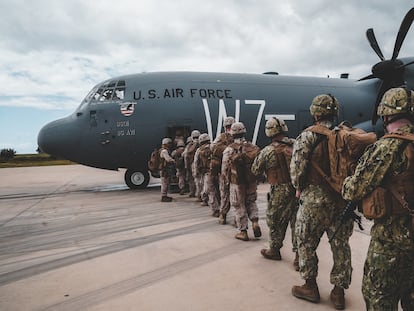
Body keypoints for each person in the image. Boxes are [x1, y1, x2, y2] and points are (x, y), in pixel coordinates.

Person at [342, 87, 414, 310]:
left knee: (378, 297)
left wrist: (346, 180)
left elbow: (353, 190)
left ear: (386, 114)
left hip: (392, 240)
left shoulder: (386, 147)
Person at [290, 94, 353, 309]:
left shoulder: (307, 137)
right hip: (341, 200)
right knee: (341, 245)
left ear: (315, 113)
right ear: (334, 113)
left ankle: (310, 286)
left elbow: (297, 170)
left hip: (313, 201)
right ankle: (338, 292)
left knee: (306, 242)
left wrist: (299, 187)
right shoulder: (344, 135)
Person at [251, 117, 299, 269]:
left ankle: (274, 249)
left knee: (275, 220)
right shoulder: (296, 145)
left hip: (279, 190)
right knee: (297, 222)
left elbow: (255, 170)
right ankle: (300, 257)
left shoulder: (268, 151)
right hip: (298, 189)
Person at [222, 122, 261, 241]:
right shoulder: (252, 147)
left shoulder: (229, 149)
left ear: (232, 134)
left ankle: (243, 231)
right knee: (251, 201)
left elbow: (224, 168)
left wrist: (226, 179)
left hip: (237, 182)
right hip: (251, 180)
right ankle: (255, 222)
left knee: (239, 205)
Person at [211, 117, 235, 224]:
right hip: (233, 170)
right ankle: (235, 219)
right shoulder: (237, 136)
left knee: (225, 194)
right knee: (236, 195)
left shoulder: (221, 137)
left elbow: (213, 146)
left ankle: (223, 216)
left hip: (225, 170)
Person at [193, 133, 211, 207]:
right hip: (212, 170)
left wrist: (195, 171)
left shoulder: (199, 150)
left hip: (204, 171)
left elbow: (196, 162)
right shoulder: (212, 147)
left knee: (205, 185)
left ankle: (204, 199)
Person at [183, 130, 200, 198]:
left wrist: (186, 166)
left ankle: (193, 192)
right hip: (198, 164)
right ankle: (199, 195)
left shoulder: (189, 145)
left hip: (191, 164)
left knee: (192, 179)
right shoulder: (200, 144)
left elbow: (185, 155)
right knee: (199, 180)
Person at [160, 137, 175, 202]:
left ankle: (165, 195)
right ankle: (164, 196)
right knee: (165, 183)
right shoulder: (164, 151)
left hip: (164, 169)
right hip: (164, 169)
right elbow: (168, 159)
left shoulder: (161, 150)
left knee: (165, 182)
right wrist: (174, 161)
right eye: (169, 143)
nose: (170, 145)